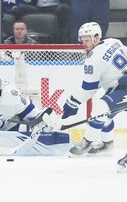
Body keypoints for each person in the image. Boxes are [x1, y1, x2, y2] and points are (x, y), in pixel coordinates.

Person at [44, 22, 127, 159]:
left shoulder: (93, 59)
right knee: (104, 115)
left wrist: (72, 103)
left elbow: (89, 90)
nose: (84, 43)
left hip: (123, 86)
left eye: (87, 40)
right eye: (82, 40)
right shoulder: (114, 41)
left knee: (100, 108)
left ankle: (87, 143)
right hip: (118, 86)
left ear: (96, 37)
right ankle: (107, 145)